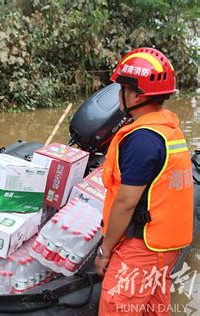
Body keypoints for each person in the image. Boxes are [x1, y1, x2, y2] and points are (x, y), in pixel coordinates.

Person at [95, 47, 193, 315]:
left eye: (122, 88)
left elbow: (126, 203)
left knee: (117, 306)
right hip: (165, 246)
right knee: (153, 308)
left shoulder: (142, 139)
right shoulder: (168, 128)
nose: (118, 95)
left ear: (137, 93)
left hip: (142, 248)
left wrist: (105, 251)